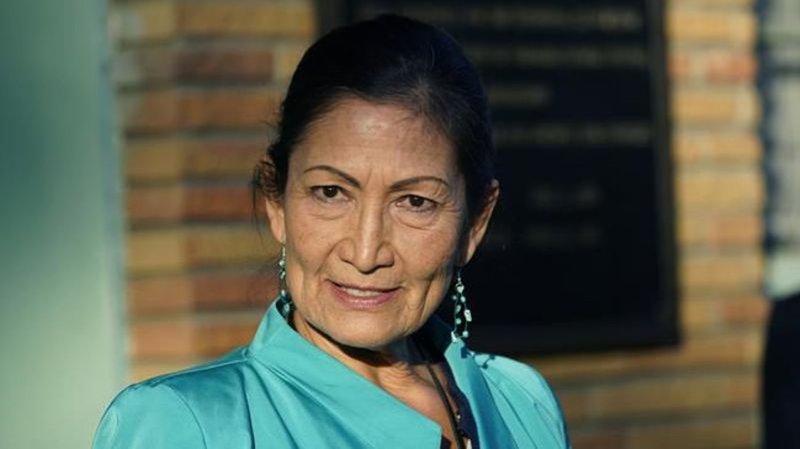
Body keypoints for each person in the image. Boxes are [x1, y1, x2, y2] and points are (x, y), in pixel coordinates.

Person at [92, 14, 570, 449]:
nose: (365, 252)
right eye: (330, 193)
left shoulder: (520, 401)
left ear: (475, 222)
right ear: (276, 200)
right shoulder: (188, 424)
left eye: (415, 202)